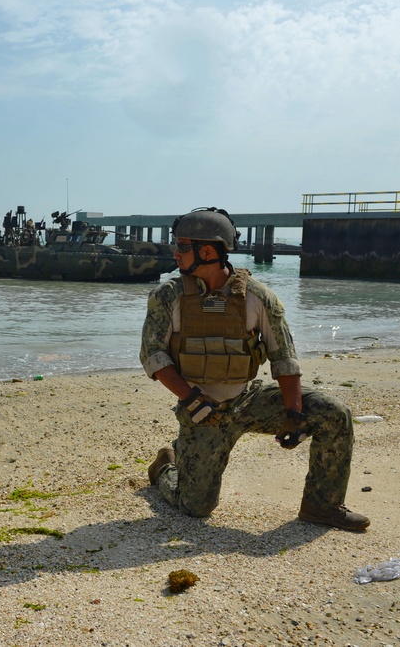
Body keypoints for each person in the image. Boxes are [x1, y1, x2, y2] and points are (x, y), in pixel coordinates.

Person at [141, 207, 369, 531]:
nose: (175, 253)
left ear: (206, 251)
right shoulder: (168, 297)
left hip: (250, 401)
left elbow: (284, 357)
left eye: (181, 246)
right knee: (196, 507)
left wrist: (294, 412)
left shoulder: (256, 297)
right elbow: (153, 356)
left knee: (334, 413)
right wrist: (191, 399)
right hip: (203, 411)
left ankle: (322, 506)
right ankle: (165, 467)